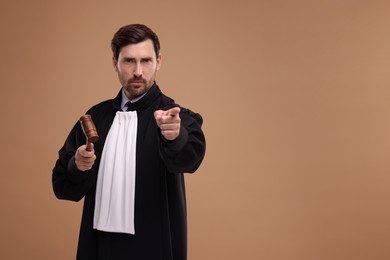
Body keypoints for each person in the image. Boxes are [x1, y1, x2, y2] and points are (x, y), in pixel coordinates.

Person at [52, 24, 206, 260]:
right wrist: (77, 165)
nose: (138, 71)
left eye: (146, 60)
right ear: (115, 62)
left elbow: (191, 156)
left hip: (153, 244)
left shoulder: (173, 115)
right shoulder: (95, 117)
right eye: (128, 61)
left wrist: (175, 137)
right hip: (100, 246)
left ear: (159, 61)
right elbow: (63, 183)